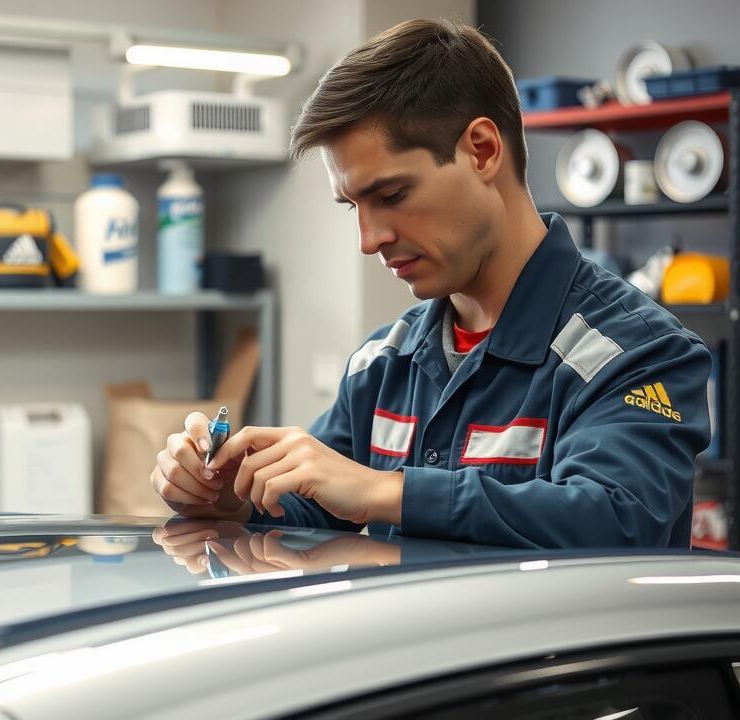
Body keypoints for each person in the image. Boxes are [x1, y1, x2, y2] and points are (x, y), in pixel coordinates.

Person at [149, 19, 711, 549]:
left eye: (392, 196)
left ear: (482, 150)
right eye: (354, 207)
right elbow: (313, 507)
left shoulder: (639, 355)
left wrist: (384, 491)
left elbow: (615, 520)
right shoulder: (383, 362)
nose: (369, 240)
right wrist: (231, 500)